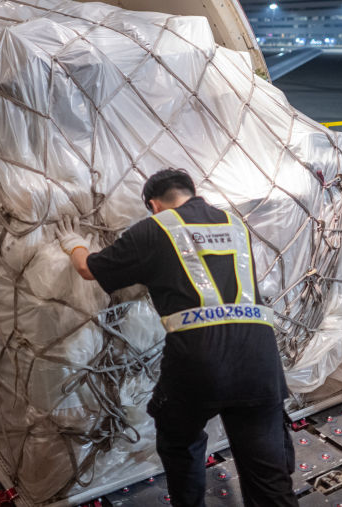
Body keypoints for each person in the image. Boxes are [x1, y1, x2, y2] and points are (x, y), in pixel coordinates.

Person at [57, 169, 297, 507]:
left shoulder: (155, 229)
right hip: (260, 357)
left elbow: (89, 269)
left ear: (154, 205)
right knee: (267, 472)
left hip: (199, 359)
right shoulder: (235, 223)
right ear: (191, 192)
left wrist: (74, 245)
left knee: (179, 439)